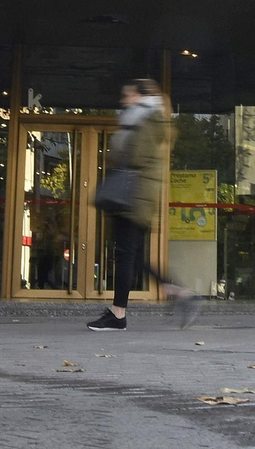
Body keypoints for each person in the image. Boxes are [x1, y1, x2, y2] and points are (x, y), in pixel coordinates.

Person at [87, 78, 202, 330]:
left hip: (133, 197)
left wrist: (123, 140)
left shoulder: (145, 121)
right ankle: (180, 293)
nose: (123, 101)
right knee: (134, 257)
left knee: (125, 256)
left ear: (140, 96)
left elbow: (136, 156)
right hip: (137, 196)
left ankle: (118, 315)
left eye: (127, 96)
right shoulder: (148, 119)